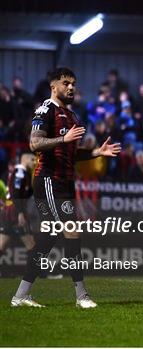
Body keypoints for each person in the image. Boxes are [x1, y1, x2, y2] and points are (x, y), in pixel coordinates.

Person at [11, 67, 121, 308]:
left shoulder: (72, 117)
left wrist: (96, 152)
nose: (71, 87)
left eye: (73, 83)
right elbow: (34, 142)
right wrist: (63, 139)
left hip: (65, 182)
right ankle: (82, 296)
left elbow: (71, 152)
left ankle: (21, 295)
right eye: (66, 83)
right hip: (48, 180)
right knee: (71, 231)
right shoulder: (45, 110)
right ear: (54, 86)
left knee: (50, 235)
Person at [0, 154, 36, 259]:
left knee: (2, 244)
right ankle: (39, 272)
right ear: (25, 160)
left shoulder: (26, 173)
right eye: (32, 160)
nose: (35, 162)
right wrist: (20, 213)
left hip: (10, 211)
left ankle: (39, 271)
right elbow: (15, 194)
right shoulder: (20, 173)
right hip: (15, 210)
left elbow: (25, 193)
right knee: (31, 243)